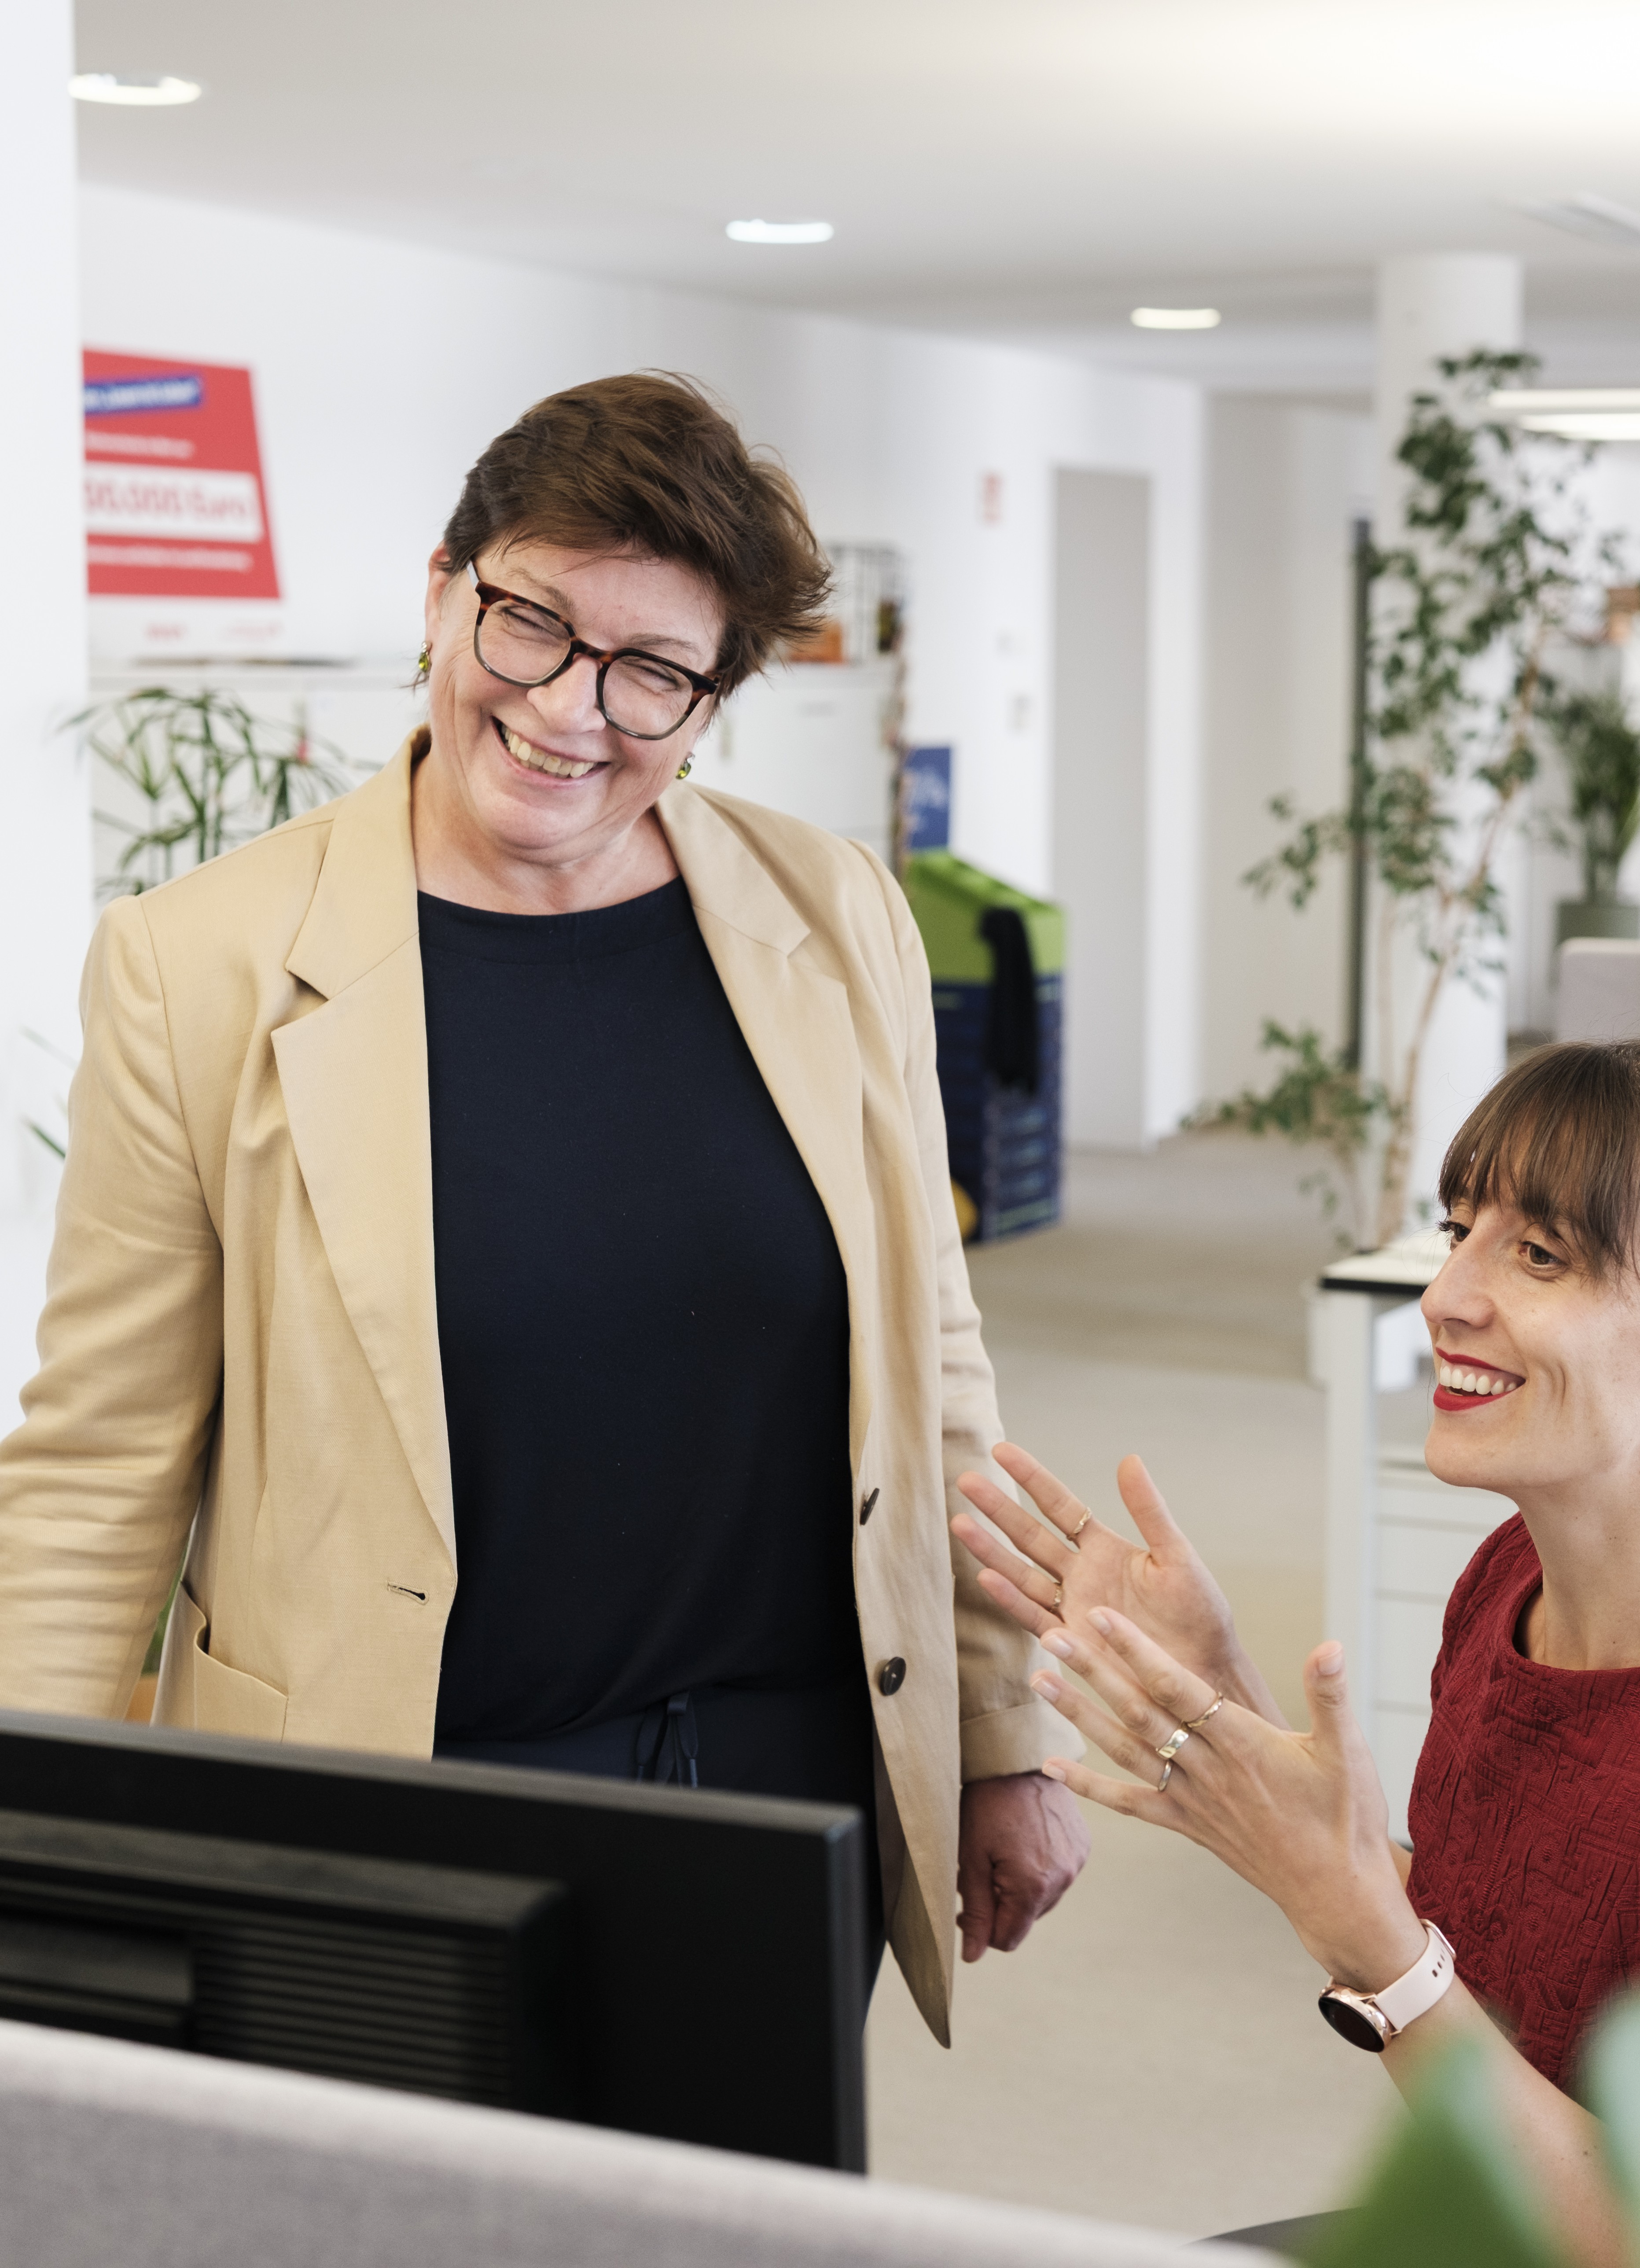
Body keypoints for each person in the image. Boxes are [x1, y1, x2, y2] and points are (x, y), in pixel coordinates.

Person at [0, 371, 1085, 2039]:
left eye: (654, 670)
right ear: (444, 588)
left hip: (784, 1772)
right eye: (534, 625)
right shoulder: (199, 965)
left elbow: (936, 1363)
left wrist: (999, 1729)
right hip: (405, 1778)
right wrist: (42, 1854)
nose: (575, 708)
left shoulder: (833, 910)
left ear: (713, 698)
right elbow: (96, 1471)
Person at [953, 1040, 1640, 2265]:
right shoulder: (1509, 1587)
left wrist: (1370, 1944)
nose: (1445, 1296)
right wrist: (1226, 1711)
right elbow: (1493, 1933)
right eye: (1459, 1230)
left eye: (1539, 1255)